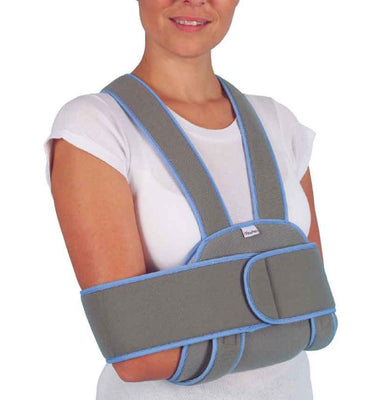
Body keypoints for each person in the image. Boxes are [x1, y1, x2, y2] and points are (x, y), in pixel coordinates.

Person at [43, 0, 323, 398]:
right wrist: (275, 320)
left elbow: (315, 311)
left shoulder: (278, 123)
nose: (194, 1)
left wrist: (200, 320)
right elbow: (135, 355)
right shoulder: (96, 127)